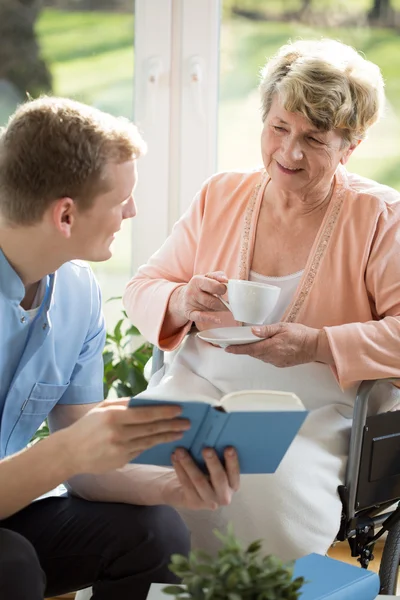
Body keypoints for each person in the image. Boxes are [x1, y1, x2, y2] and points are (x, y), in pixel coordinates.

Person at [123, 39, 400, 560]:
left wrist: (318, 344)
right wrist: (182, 299)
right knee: (119, 461)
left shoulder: (381, 216)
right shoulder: (221, 194)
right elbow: (143, 286)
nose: (289, 152)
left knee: (259, 483)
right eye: (279, 128)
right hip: (199, 389)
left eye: (315, 139)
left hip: (317, 414)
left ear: (350, 145)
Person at [0, 97, 240, 600]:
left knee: (159, 533)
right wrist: (63, 451)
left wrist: (172, 488)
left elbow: (82, 467)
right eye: (121, 199)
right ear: (66, 215)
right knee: (12, 564)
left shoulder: (78, 292)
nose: (132, 211)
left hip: (14, 503)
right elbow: (67, 452)